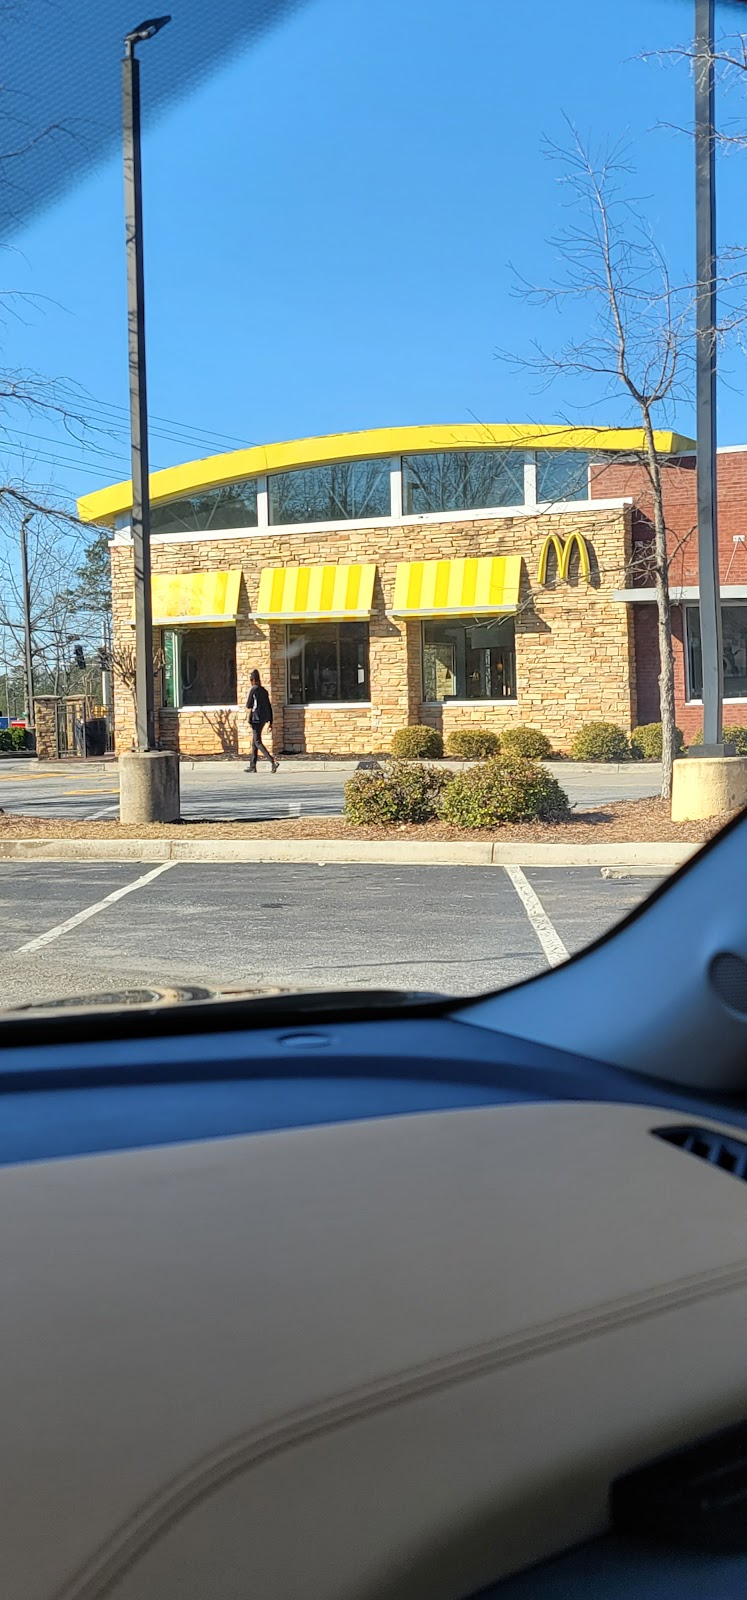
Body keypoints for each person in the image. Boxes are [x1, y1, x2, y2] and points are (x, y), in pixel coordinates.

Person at [245, 669, 279, 773]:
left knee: (257, 742)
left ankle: (273, 761)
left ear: (252, 680)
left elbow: (249, 705)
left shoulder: (254, 690)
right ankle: (252, 765)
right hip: (264, 719)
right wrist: (271, 721)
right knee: (254, 742)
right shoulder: (264, 691)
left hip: (255, 719)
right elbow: (269, 706)